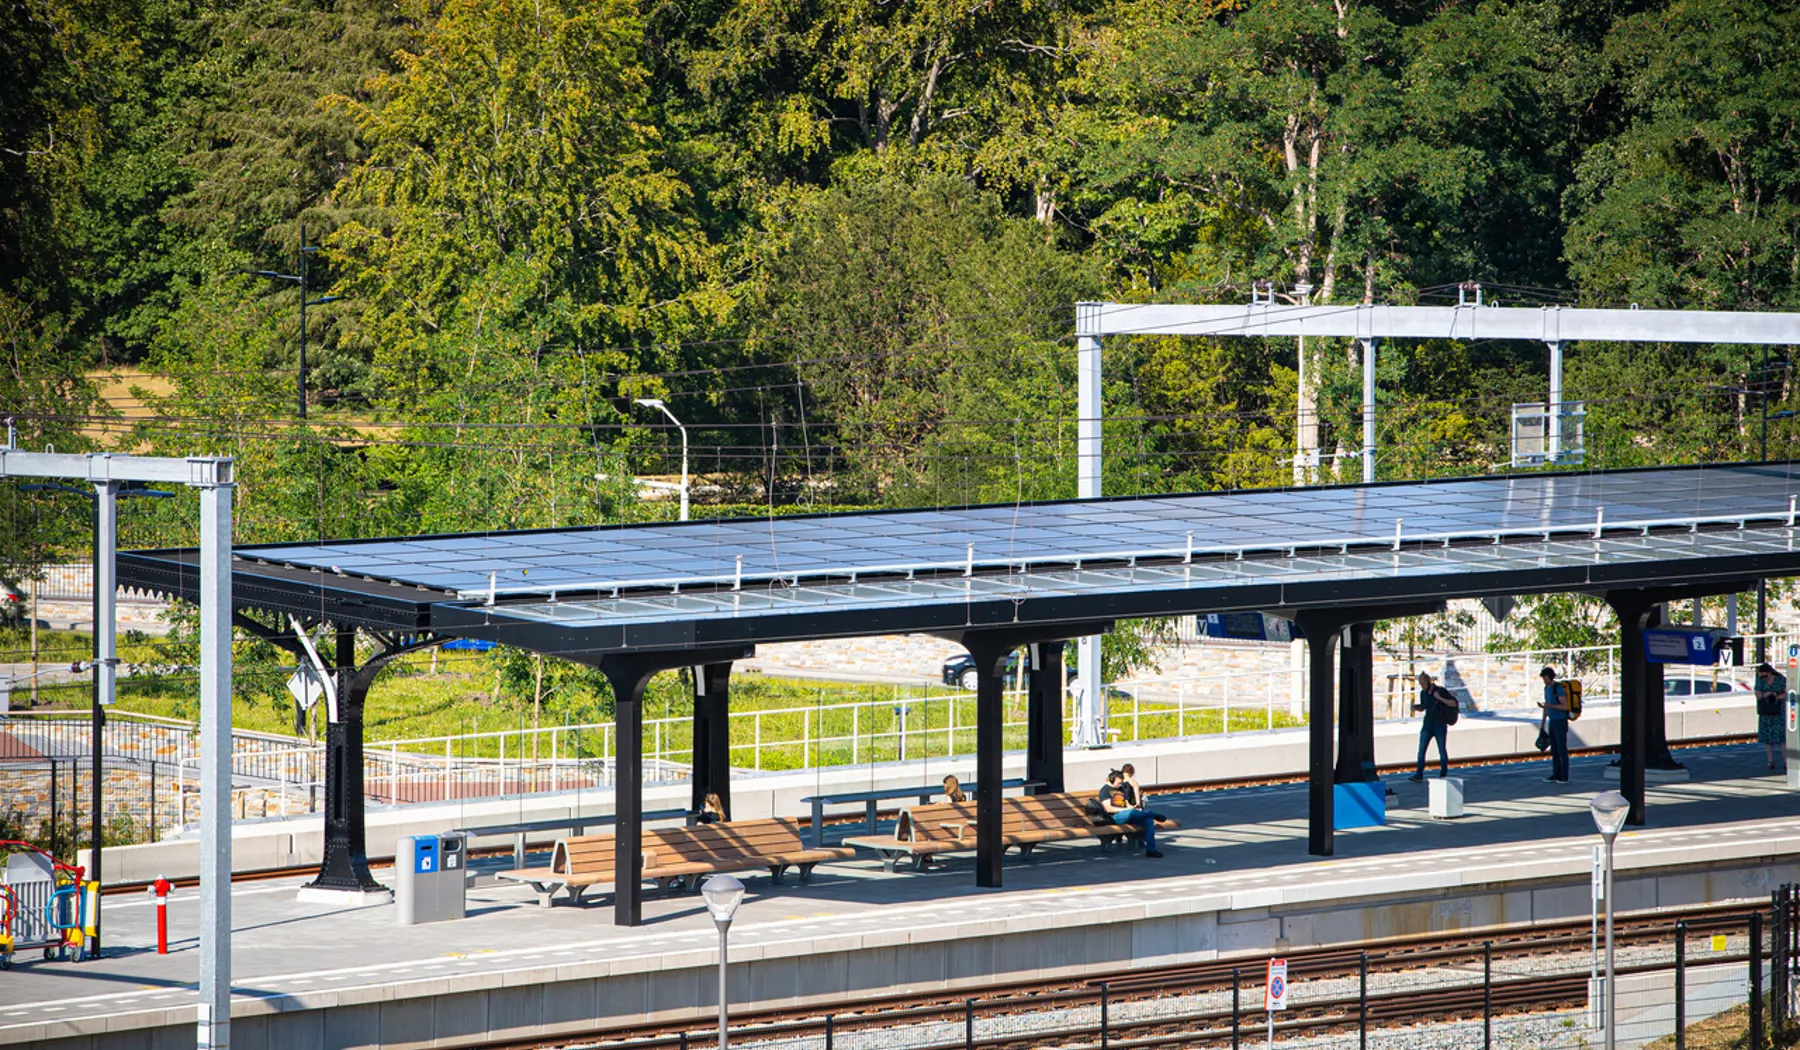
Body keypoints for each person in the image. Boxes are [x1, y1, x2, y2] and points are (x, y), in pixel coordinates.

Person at [1409, 671, 1457, 782]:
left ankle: (1443, 774)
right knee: (1421, 750)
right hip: (1427, 725)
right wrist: (1417, 708)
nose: (1422, 686)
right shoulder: (1423, 693)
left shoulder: (1440, 691)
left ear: (1428, 682)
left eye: (1423, 684)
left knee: (1442, 750)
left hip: (1440, 724)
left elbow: (1453, 703)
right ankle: (1419, 774)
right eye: (1420, 684)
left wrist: (1440, 698)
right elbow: (1425, 707)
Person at [1099, 786, 1162, 858]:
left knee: (1148, 821)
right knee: (1132, 813)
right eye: (1119, 782)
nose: (1120, 784)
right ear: (1112, 779)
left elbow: (1127, 804)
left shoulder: (1122, 789)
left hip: (1127, 815)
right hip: (1115, 816)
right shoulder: (1105, 790)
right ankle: (1152, 814)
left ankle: (1151, 850)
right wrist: (1126, 810)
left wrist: (1132, 807)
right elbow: (1108, 809)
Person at [1538, 667, 1571, 783]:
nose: (1544, 680)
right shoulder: (1546, 688)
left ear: (1550, 677)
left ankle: (1564, 775)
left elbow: (1565, 706)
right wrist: (1542, 724)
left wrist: (1550, 706)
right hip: (1552, 721)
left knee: (1562, 748)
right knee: (1555, 749)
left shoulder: (1558, 688)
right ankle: (1556, 773)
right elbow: (1546, 706)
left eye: (1545, 678)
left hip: (1560, 721)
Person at [1755, 663, 1788, 771]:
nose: (1764, 678)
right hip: (1766, 713)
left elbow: (1787, 693)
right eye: (1762, 676)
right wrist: (1769, 693)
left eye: (1765, 676)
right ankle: (1770, 761)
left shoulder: (1781, 680)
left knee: (1782, 738)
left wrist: (1777, 696)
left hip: (1778, 712)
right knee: (1767, 739)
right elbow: (1758, 695)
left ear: (1770, 672)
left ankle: (1786, 761)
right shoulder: (1760, 681)